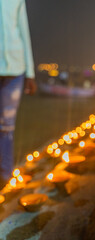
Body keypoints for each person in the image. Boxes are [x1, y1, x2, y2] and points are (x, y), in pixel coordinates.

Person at [0, 0, 36, 182]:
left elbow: (23, 31)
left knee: (7, 126)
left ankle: (5, 176)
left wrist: (30, 72)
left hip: (15, 70)